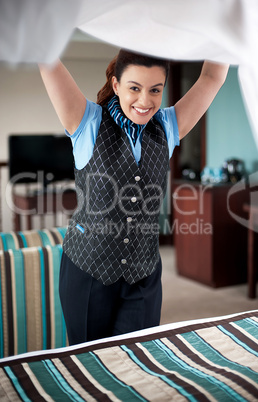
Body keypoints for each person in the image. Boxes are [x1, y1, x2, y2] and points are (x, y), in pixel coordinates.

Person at [39, 49, 229, 345]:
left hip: (143, 272)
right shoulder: (87, 122)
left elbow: (212, 76)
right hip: (89, 270)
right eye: (134, 88)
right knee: (92, 365)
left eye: (155, 90)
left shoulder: (168, 126)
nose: (145, 101)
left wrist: (225, 29)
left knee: (140, 359)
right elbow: (48, 61)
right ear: (116, 86)